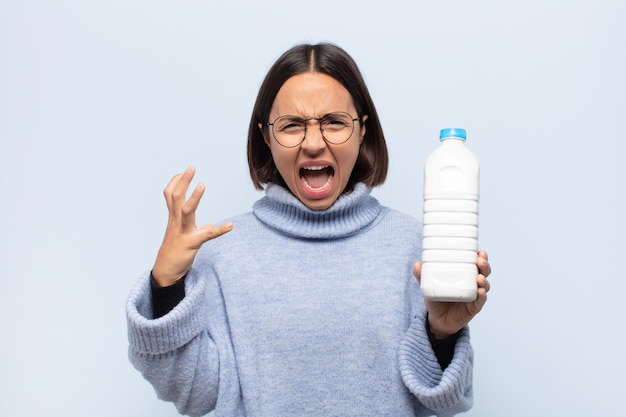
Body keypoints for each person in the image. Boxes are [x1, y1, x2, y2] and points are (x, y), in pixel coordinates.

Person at [126, 42, 492, 417]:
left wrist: (442, 334)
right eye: (292, 126)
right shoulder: (223, 253)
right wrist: (165, 286)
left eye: (334, 122)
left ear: (362, 130)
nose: (314, 144)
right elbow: (194, 395)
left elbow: (444, 401)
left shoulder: (414, 247)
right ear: (266, 137)